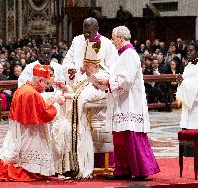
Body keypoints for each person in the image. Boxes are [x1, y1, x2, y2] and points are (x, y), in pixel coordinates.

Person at [96, 26, 160, 180]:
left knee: (131, 136)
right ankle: (122, 170)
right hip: (121, 102)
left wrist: (108, 81)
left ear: (120, 37)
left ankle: (140, 170)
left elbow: (128, 79)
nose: (112, 41)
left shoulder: (130, 54)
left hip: (130, 103)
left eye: (113, 38)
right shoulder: (122, 55)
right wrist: (103, 83)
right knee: (120, 139)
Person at [0, 64, 58, 181]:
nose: (47, 87)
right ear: (40, 80)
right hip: (30, 134)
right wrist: (53, 104)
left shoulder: (24, 88)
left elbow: (35, 110)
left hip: (22, 130)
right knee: (28, 170)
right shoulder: (32, 93)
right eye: (47, 84)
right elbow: (44, 114)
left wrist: (46, 103)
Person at [64, 41, 113, 179]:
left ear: (96, 65)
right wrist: (65, 89)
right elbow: (78, 90)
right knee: (61, 128)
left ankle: (77, 167)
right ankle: (69, 167)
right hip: (85, 117)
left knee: (70, 130)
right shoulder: (88, 76)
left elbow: (88, 96)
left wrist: (70, 96)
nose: (83, 67)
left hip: (97, 119)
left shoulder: (104, 76)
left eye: (87, 65)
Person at [62, 17, 118, 84]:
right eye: (85, 32)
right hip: (78, 83)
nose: (87, 34)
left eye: (89, 32)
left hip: (97, 85)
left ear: (97, 29)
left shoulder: (107, 44)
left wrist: (96, 74)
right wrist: (70, 68)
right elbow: (68, 61)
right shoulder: (77, 41)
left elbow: (113, 68)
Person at [176, 44, 198, 129]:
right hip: (187, 103)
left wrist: (184, 83)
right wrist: (180, 83)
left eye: (191, 51)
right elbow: (185, 83)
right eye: (187, 51)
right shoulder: (187, 67)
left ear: (197, 52)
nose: (188, 53)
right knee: (186, 133)